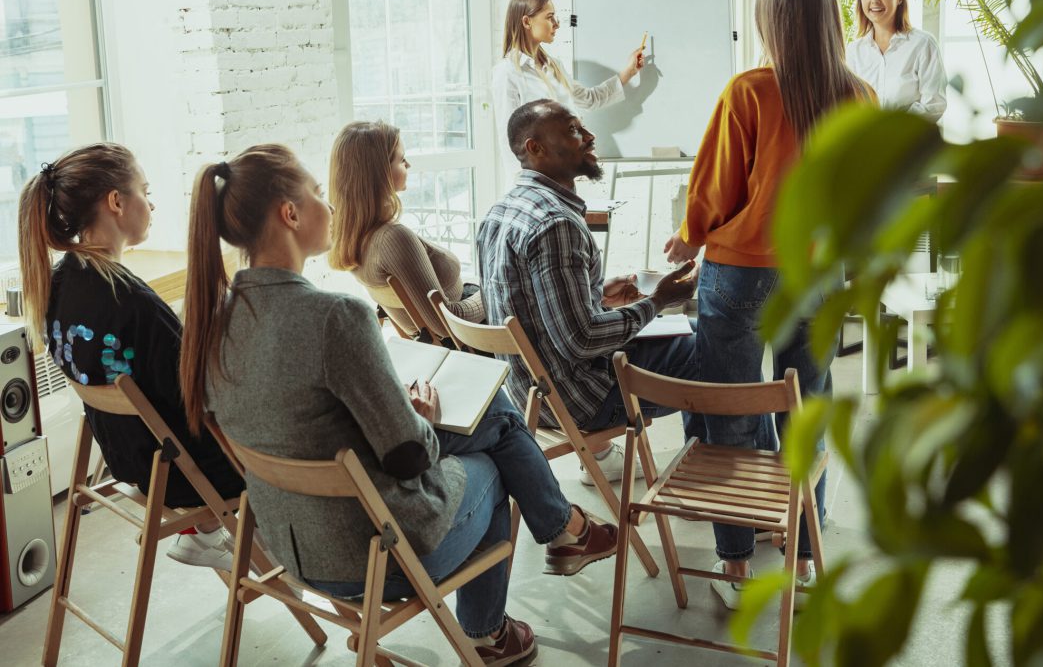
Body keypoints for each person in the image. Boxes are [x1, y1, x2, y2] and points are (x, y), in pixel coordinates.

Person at [180, 143, 617, 665]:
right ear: (289, 214)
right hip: (374, 558)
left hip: (288, 546)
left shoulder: (211, 319)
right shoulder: (334, 317)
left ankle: (566, 532)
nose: (331, 206)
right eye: (319, 194)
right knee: (495, 457)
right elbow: (408, 455)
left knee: (495, 417)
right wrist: (421, 418)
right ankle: (492, 629)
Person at [662, 0, 877, 608]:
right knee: (805, 411)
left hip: (739, 274)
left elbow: (716, 187)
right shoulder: (858, 96)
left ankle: (734, 564)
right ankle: (805, 554)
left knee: (733, 409)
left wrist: (689, 236)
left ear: (772, 23)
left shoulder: (748, 90)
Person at [17, 143, 243, 569]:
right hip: (190, 476)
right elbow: (200, 396)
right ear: (116, 202)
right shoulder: (132, 300)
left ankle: (207, 530)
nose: (151, 202)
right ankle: (235, 534)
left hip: (130, 461)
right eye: (145, 189)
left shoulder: (58, 284)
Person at [476, 100, 703, 485]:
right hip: (580, 400)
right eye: (573, 130)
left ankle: (696, 465)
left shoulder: (500, 211)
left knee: (689, 340)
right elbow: (580, 340)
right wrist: (658, 301)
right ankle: (714, 477)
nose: (590, 136)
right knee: (716, 353)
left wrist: (594, 294)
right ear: (535, 148)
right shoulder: (555, 224)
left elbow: (535, 308)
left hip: (530, 395)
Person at [328, 120, 482, 339]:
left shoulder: (352, 234)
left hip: (452, 328)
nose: (408, 165)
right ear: (379, 172)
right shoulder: (393, 238)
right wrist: (489, 293)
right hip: (472, 342)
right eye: (401, 159)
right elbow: (444, 324)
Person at [492, 0, 647, 175]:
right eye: (550, 17)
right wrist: (523, 186)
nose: (556, 24)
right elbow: (508, 139)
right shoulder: (507, 72)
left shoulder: (554, 66)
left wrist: (629, 72)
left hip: (564, 173)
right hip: (536, 179)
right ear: (527, 21)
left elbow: (589, 99)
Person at [845, 0, 946, 120]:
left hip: (910, 140)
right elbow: (847, 105)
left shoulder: (923, 44)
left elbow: (934, 104)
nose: (874, 1)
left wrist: (892, 128)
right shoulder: (853, 51)